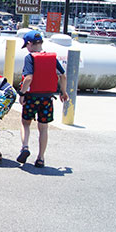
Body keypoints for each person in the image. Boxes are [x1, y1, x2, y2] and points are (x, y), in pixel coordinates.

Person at [17, 30, 68, 168]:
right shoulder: (51, 58)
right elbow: (63, 76)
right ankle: (40, 158)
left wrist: (21, 94)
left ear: (29, 43)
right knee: (43, 128)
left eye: (26, 46)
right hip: (47, 99)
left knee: (25, 123)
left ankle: (25, 147)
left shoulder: (30, 58)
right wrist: (63, 92)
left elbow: (28, 78)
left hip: (32, 97)